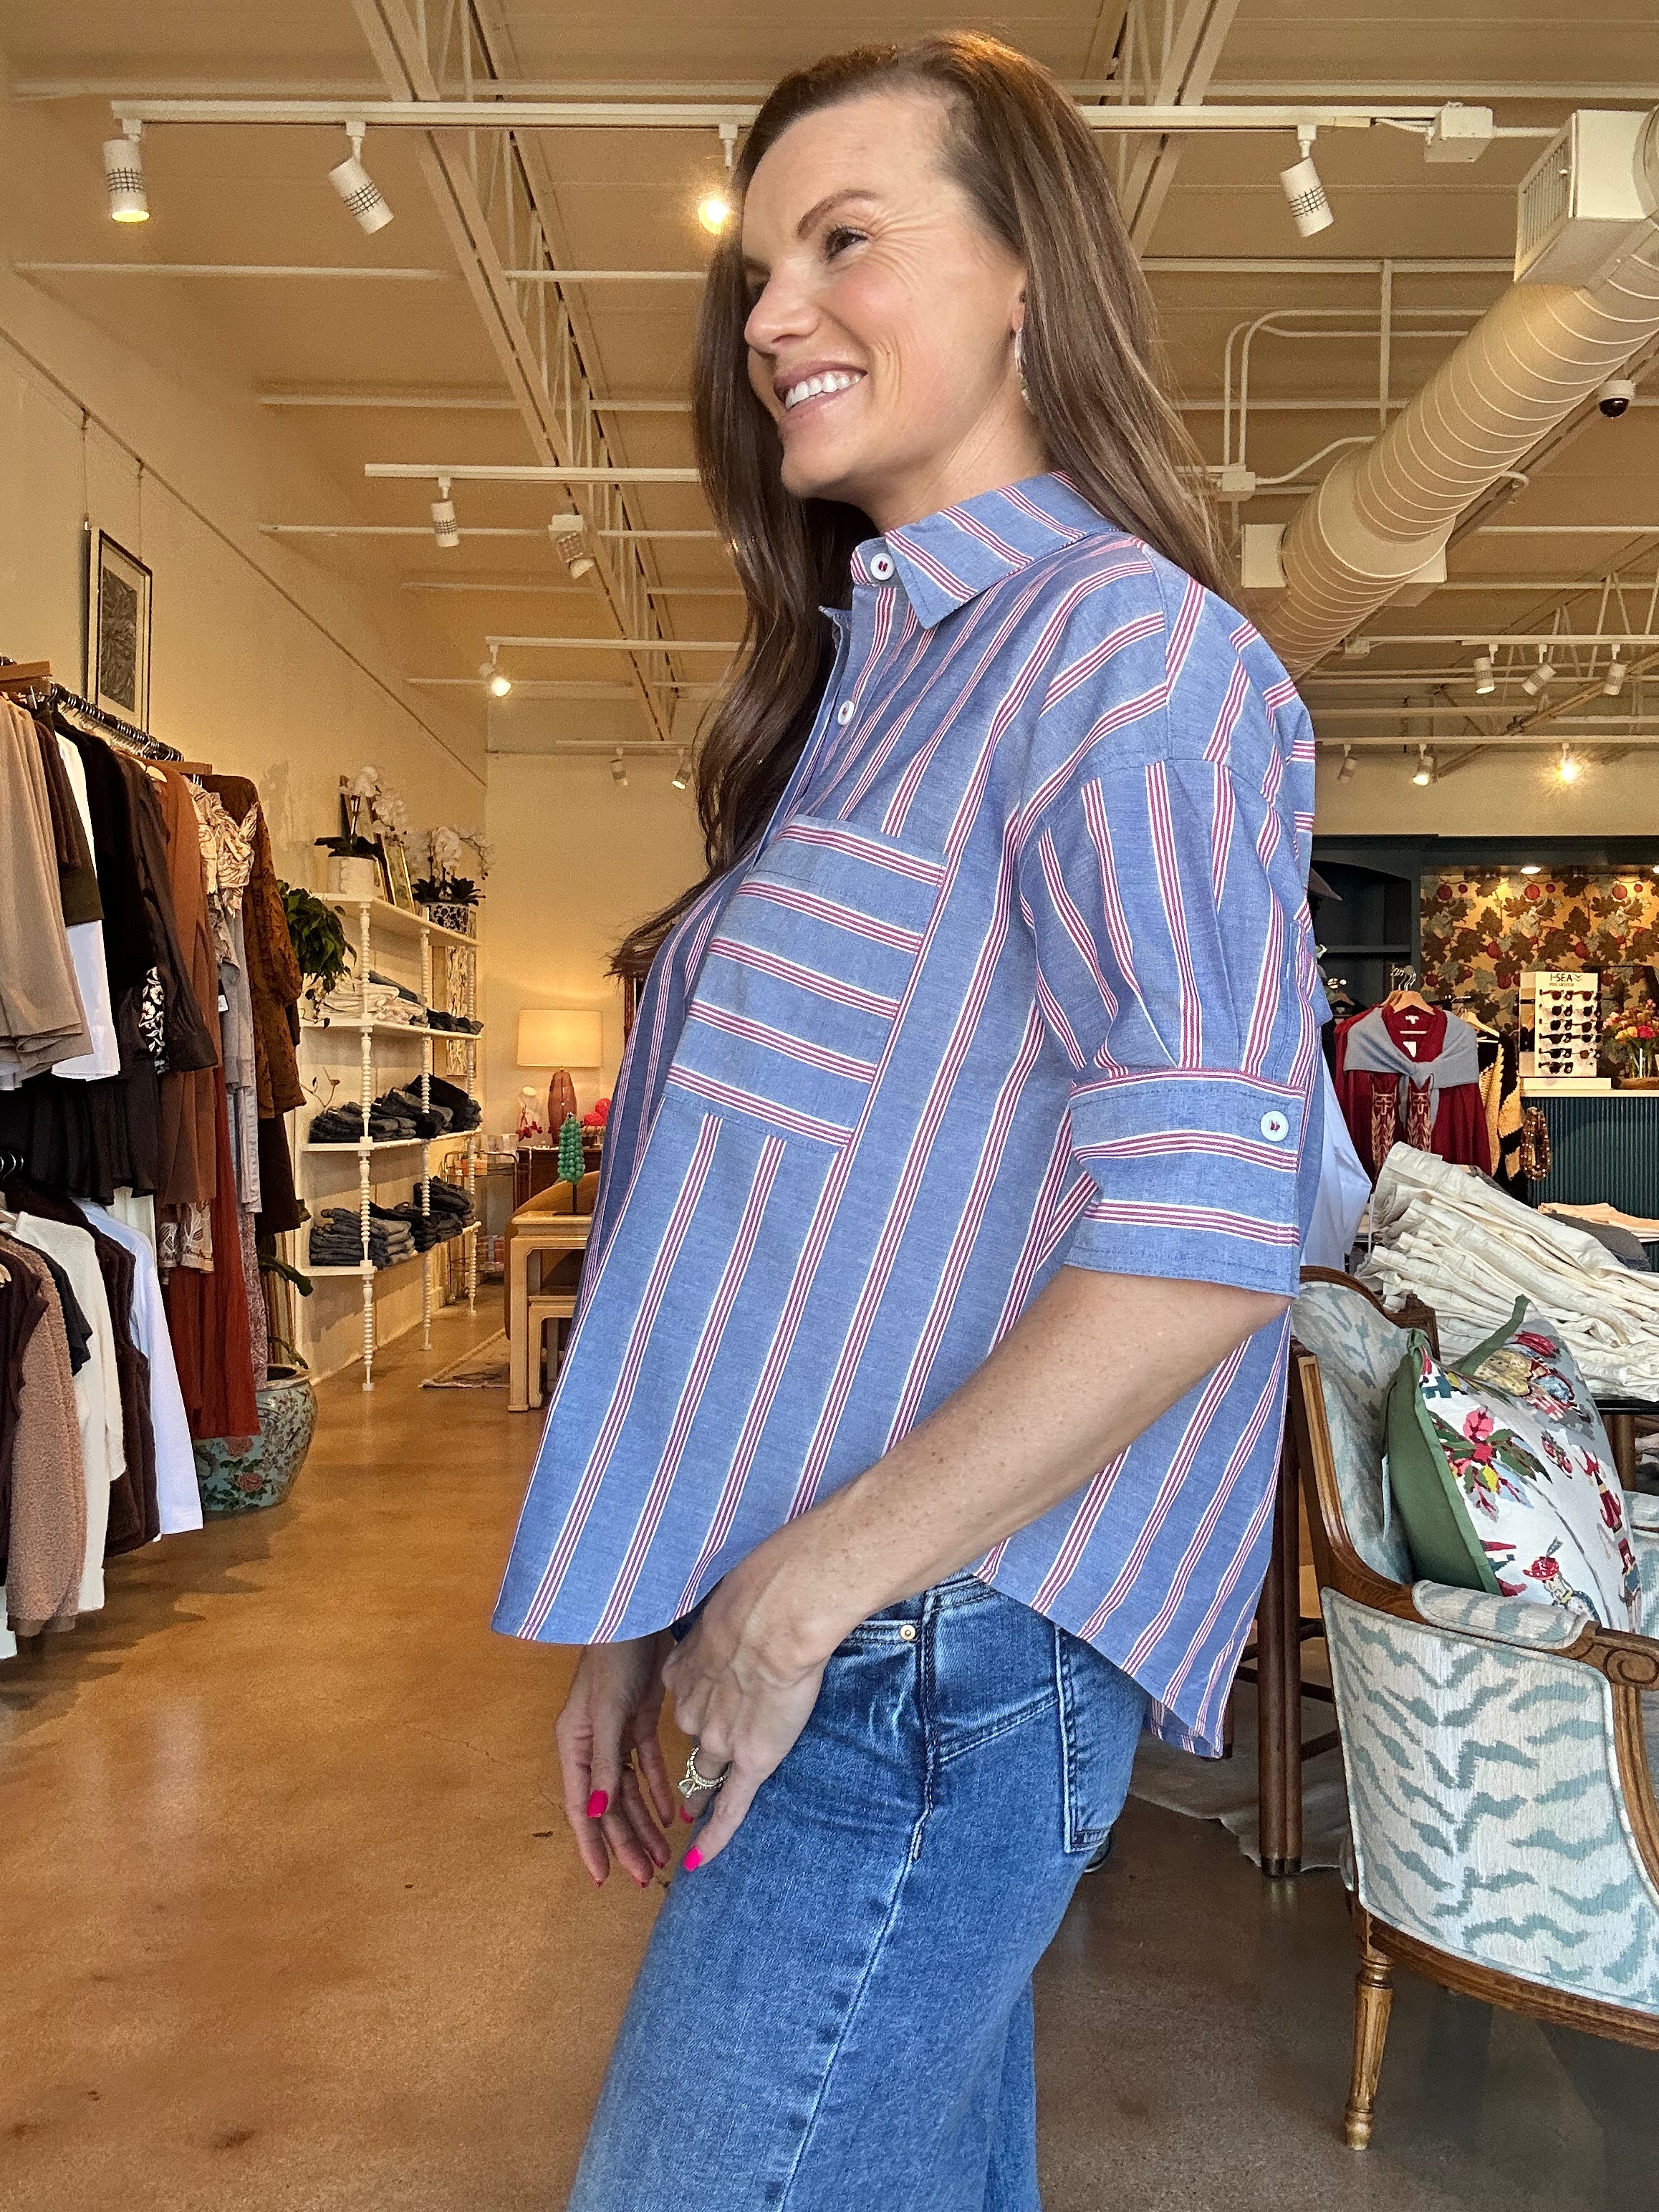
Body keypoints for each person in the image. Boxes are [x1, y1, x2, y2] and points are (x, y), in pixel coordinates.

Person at [494, 32, 1325, 2210]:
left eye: (843, 240)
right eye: (756, 271)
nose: (773, 312)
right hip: (848, 1618)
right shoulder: (871, 700)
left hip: (930, 1642)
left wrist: (788, 1608)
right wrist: (650, 1605)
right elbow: (755, 1241)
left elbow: (1212, 1232)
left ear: (1027, 274)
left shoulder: (1129, 667)